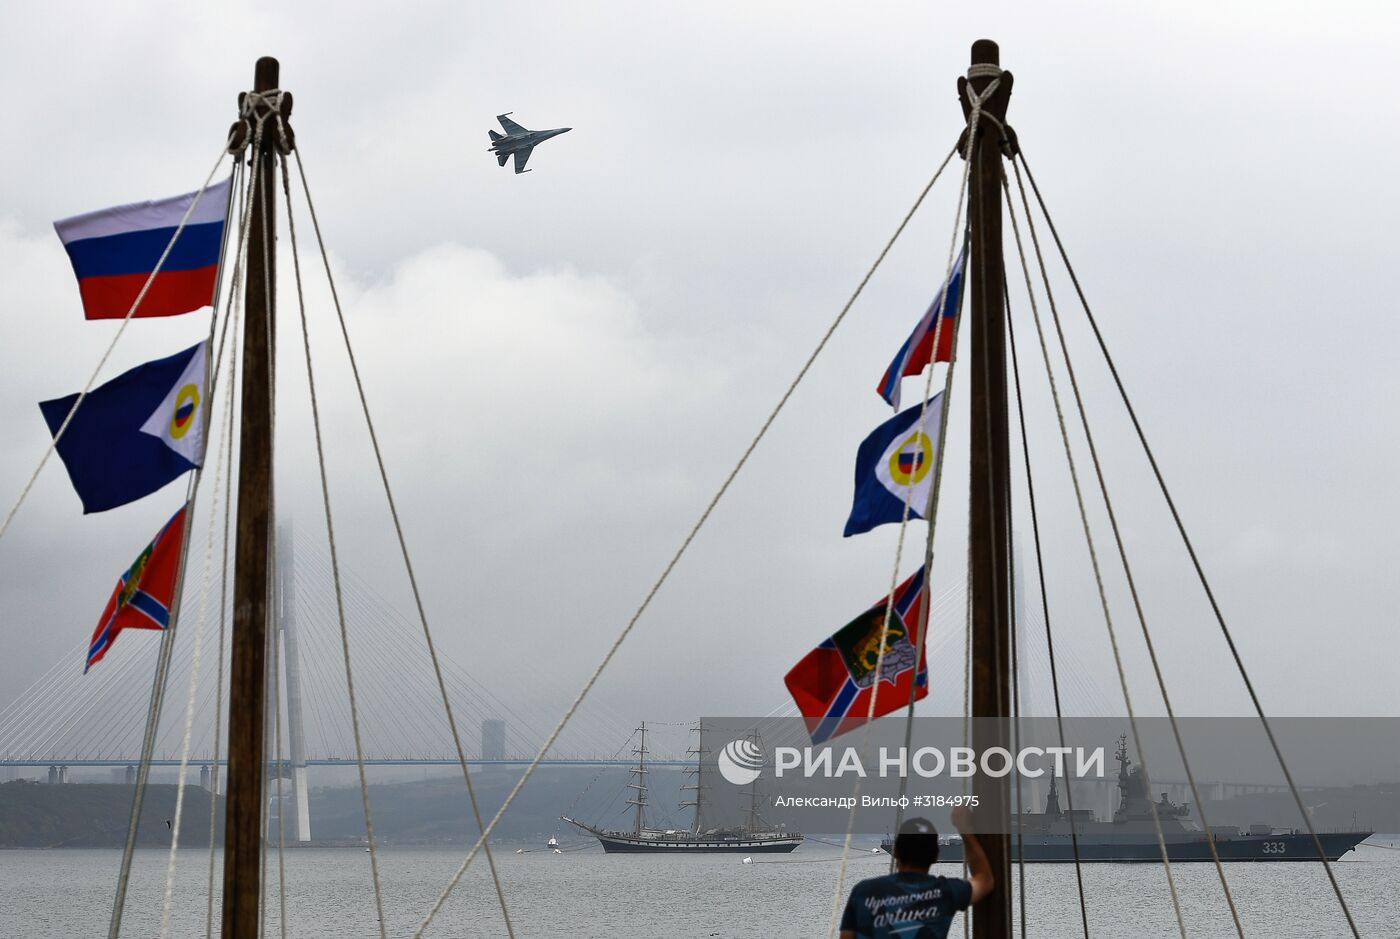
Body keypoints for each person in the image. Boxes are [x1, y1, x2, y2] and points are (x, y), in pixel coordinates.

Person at [839, 806, 994, 939]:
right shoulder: (947, 892)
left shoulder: (863, 891)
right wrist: (965, 830)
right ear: (935, 855)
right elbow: (985, 879)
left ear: (896, 851)